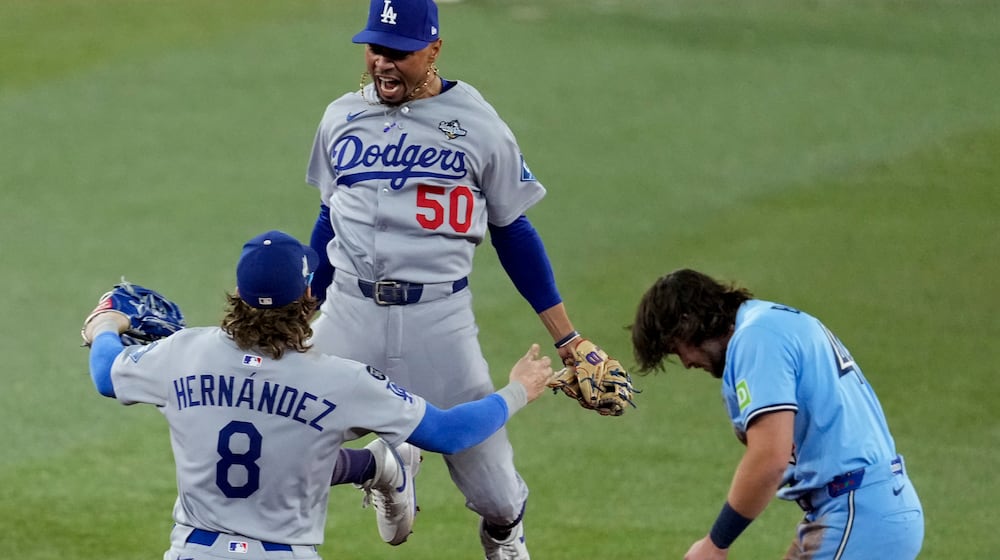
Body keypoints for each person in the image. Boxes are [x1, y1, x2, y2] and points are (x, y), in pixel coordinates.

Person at [302, 0, 625, 557]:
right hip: (348, 315)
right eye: (376, 48)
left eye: (400, 54)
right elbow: (328, 219)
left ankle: (504, 536)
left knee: (496, 493)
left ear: (434, 49)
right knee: (282, 447)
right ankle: (382, 466)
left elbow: (514, 231)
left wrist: (568, 338)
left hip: (439, 323)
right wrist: (298, 312)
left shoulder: (478, 125)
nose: (383, 63)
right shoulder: (339, 117)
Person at [81, 229, 555, 560]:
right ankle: (377, 466)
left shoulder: (183, 352)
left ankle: (376, 468)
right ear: (309, 293)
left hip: (193, 551)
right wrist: (519, 390)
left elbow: (106, 374)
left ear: (238, 295)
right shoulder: (344, 381)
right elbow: (450, 434)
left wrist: (106, 323)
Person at [630, 269, 924, 559]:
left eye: (676, 348)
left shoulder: (755, 339)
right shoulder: (771, 321)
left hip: (857, 512)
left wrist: (715, 543)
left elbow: (770, 458)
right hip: (867, 506)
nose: (686, 362)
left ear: (688, 322)